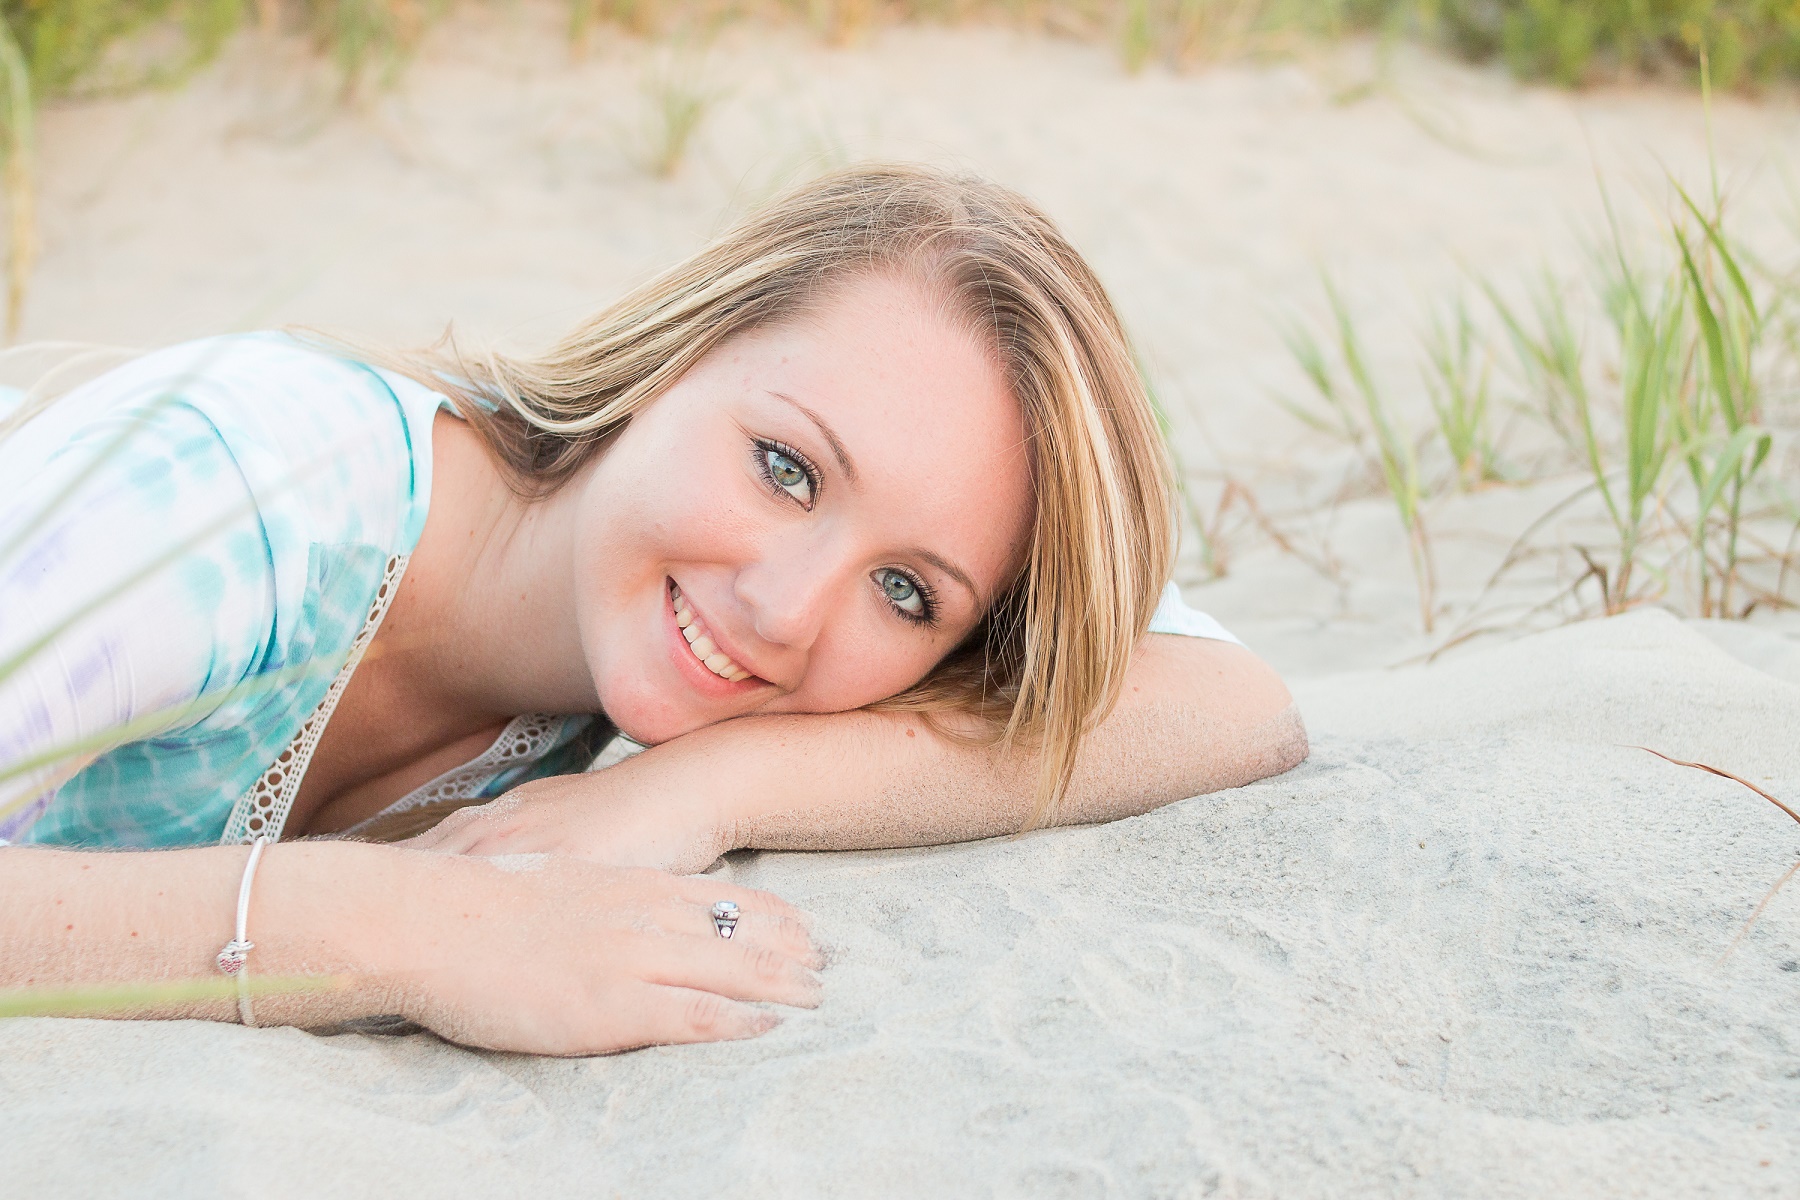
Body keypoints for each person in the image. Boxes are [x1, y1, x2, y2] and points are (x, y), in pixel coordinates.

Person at [0, 165, 1306, 1056]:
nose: (789, 613)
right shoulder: (253, 494)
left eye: (907, 591)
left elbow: (1232, 702)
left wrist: (706, 788)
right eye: (786, 467)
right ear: (679, 355)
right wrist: (390, 929)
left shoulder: (624, 665)